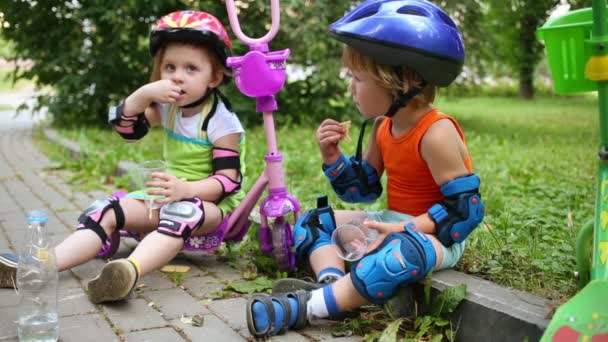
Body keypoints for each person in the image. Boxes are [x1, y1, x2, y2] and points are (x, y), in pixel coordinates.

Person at [245, 0, 485, 338]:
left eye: (358, 78)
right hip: (393, 220)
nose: (351, 87)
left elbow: (465, 213)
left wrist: (406, 228)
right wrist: (334, 158)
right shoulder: (382, 127)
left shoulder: (436, 132)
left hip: (435, 236)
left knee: (400, 256)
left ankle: (309, 307)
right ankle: (332, 283)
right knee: (314, 222)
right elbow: (364, 189)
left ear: (402, 81)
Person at [0, 10, 246, 304]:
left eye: (191, 68)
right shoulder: (168, 108)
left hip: (210, 206)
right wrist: (143, 95)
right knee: (102, 211)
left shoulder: (221, 120)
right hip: (167, 197)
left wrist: (188, 190)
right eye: (169, 67)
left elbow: (228, 182)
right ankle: (41, 266)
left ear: (215, 77)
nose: (177, 76)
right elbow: (127, 128)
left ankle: (127, 272)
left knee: (183, 212)